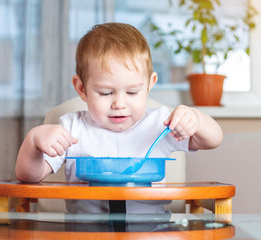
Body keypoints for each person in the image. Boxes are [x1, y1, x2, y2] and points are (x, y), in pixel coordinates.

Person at [15, 22, 223, 213]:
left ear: (150, 84)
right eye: (106, 93)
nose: (119, 104)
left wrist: (195, 119)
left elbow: (214, 140)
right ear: (82, 88)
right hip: (85, 234)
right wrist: (33, 140)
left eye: (132, 92)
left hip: (152, 233)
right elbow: (29, 176)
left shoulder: (161, 124)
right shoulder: (71, 128)